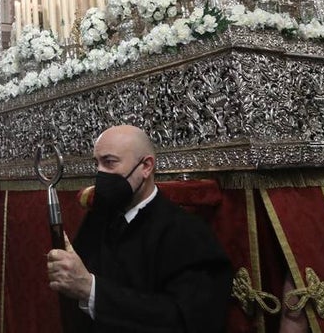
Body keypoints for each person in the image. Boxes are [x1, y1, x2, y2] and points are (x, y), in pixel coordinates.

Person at [46, 125, 232, 333]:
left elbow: (185, 319)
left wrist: (91, 290)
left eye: (109, 163)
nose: (100, 174)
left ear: (146, 166)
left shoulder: (187, 233)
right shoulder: (96, 220)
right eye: (96, 164)